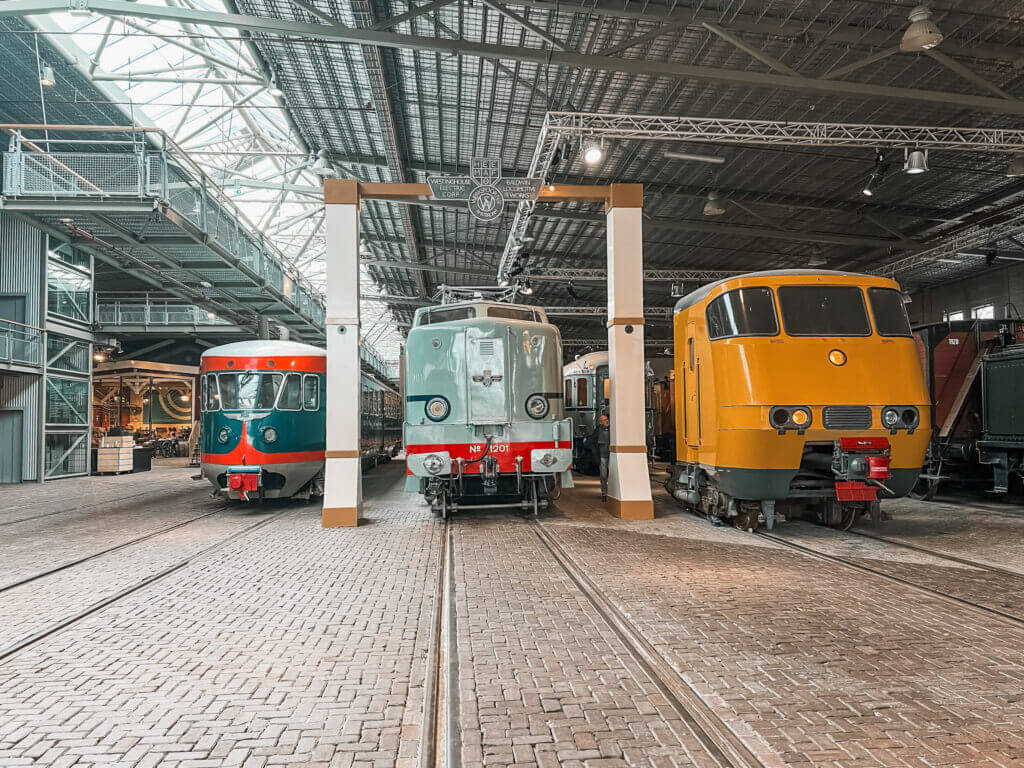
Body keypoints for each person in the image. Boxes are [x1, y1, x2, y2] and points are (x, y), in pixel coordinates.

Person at [593, 411, 611, 502]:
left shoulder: (613, 429)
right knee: (603, 475)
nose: (606, 421)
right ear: (600, 422)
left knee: (612, 475)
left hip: (612, 455)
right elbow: (594, 443)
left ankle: (611, 493)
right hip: (602, 455)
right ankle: (604, 493)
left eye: (607, 419)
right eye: (604, 420)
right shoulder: (597, 431)